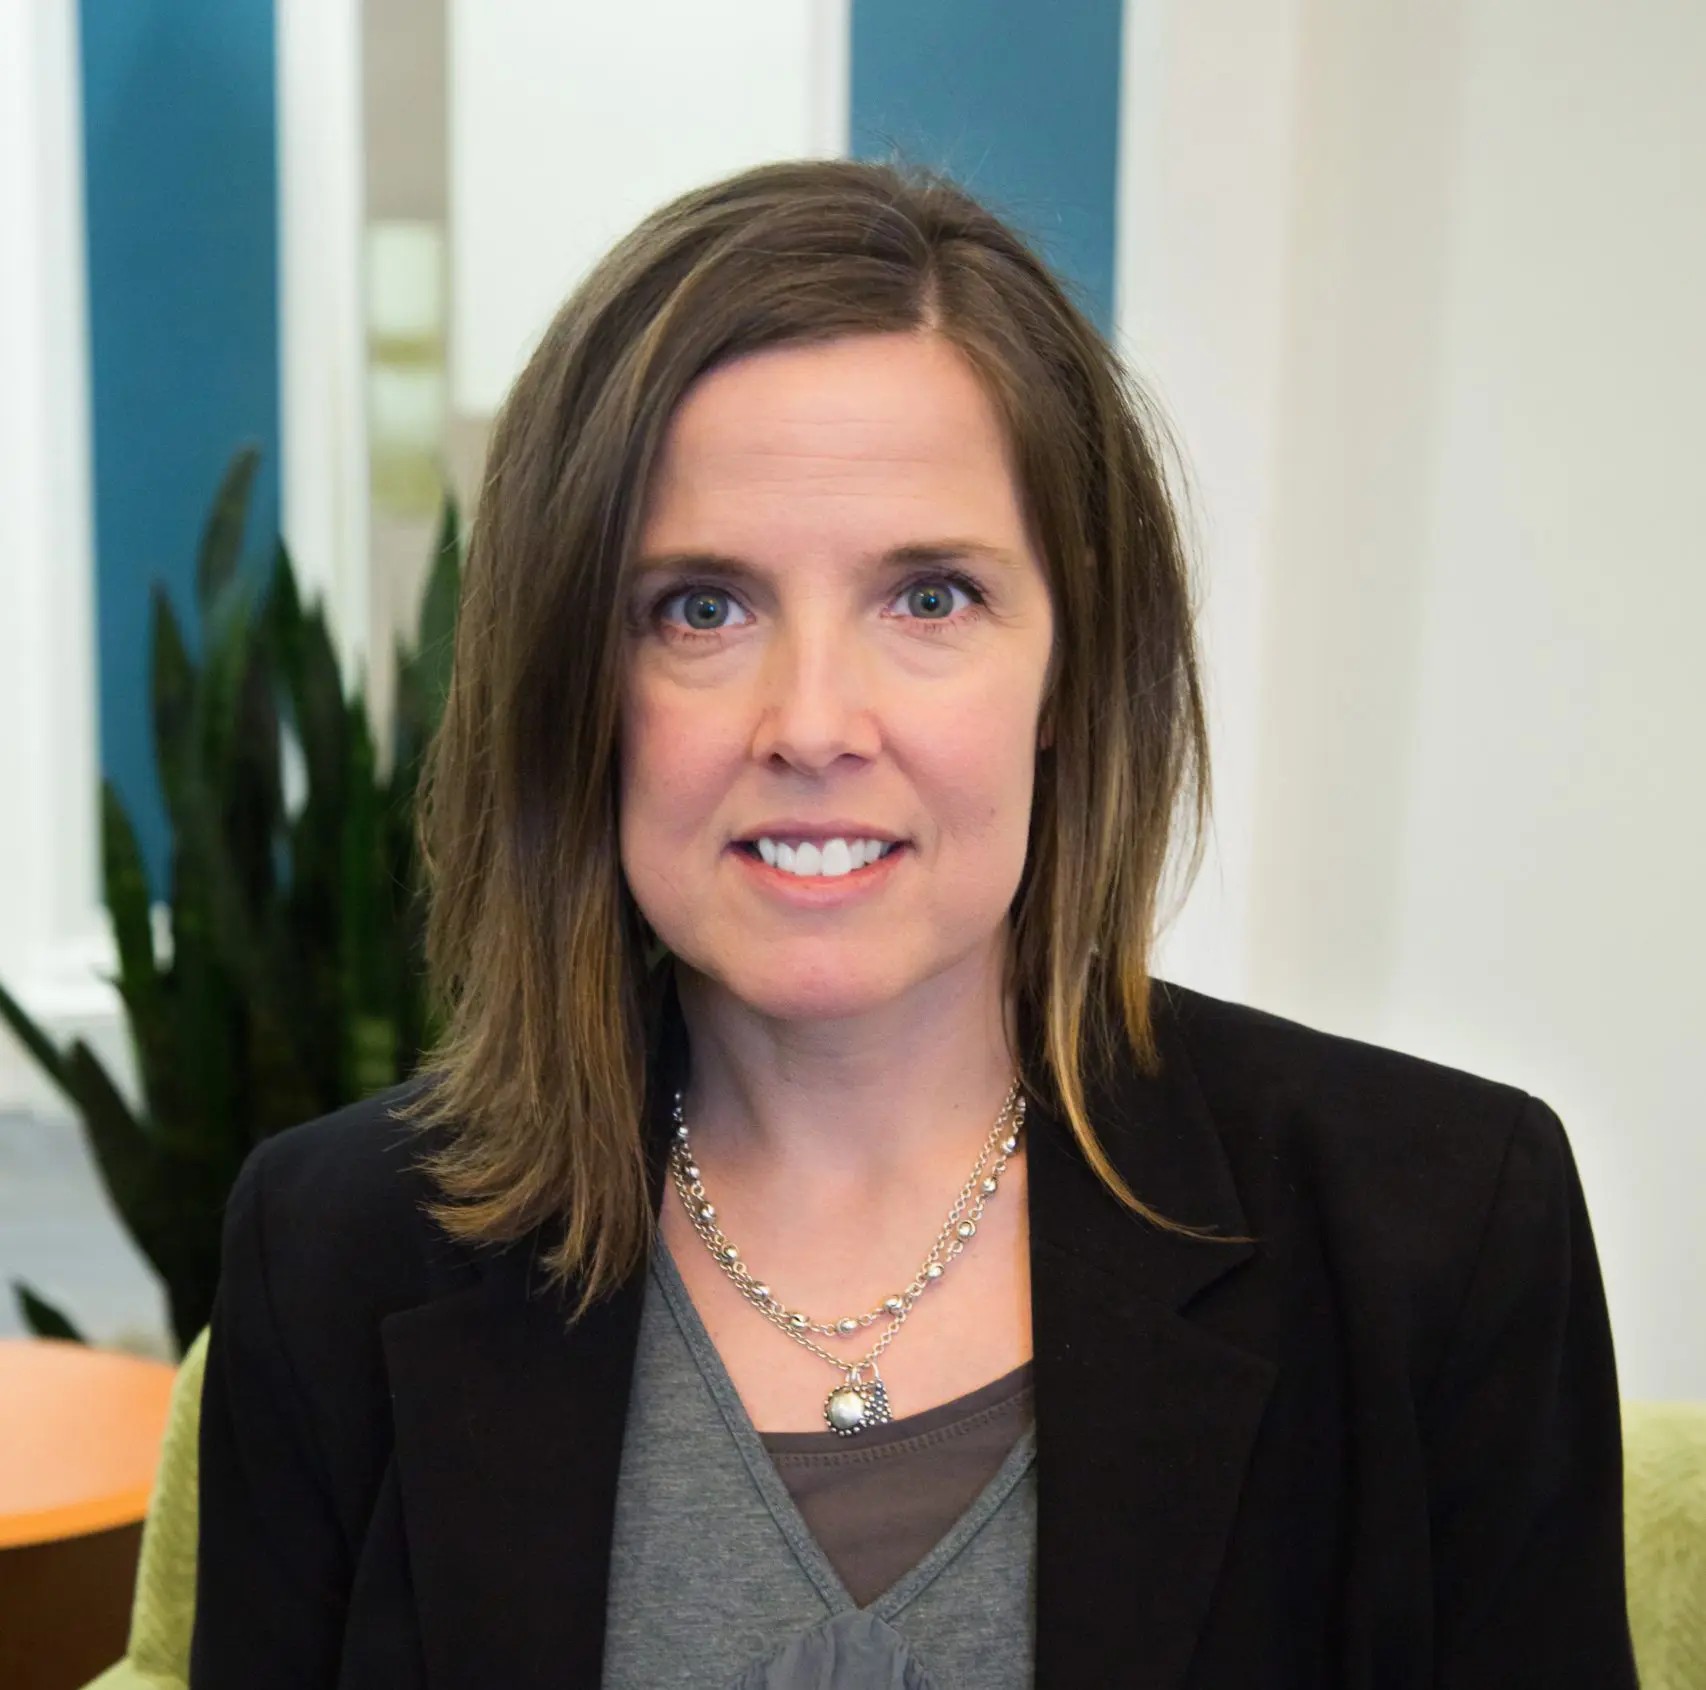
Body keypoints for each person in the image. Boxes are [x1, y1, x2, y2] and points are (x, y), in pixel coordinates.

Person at [189, 159, 1636, 1689]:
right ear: (572, 684)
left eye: (929, 597)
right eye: (701, 607)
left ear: (1072, 661)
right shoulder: (332, 1253)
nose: (813, 722)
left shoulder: (1443, 1231)